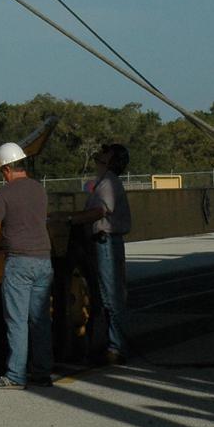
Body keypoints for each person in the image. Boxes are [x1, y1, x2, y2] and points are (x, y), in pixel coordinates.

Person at [0, 141, 54, 389]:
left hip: (19, 262)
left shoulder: (4, 193)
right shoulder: (39, 189)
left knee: (17, 321)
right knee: (40, 320)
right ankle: (42, 372)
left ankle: (15, 375)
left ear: (5, 170)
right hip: (43, 260)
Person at [71, 142, 132, 363]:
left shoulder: (108, 184)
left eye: (102, 156)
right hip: (105, 242)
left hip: (106, 242)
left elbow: (98, 212)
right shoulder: (105, 183)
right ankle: (112, 344)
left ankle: (116, 348)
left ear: (110, 162)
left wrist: (70, 219)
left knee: (110, 296)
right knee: (106, 295)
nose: (98, 158)